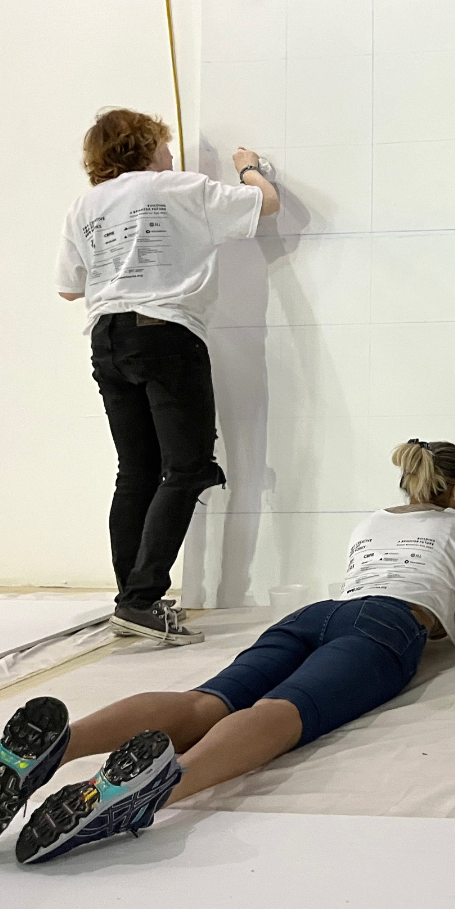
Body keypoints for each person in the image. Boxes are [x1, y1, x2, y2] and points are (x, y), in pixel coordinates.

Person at [0, 440, 455, 864]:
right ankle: (159, 788)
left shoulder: (371, 522)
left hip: (316, 614)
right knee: (281, 711)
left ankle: (57, 746)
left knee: (205, 701)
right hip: (386, 625)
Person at [56, 109, 279, 645]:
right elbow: (265, 204)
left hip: (107, 337)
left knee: (136, 472)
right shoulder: (180, 187)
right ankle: (141, 600)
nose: (172, 154)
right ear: (146, 147)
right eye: (164, 144)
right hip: (166, 334)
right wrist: (248, 167)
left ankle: (129, 600)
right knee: (187, 468)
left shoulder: (85, 205)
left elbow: (69, 287)